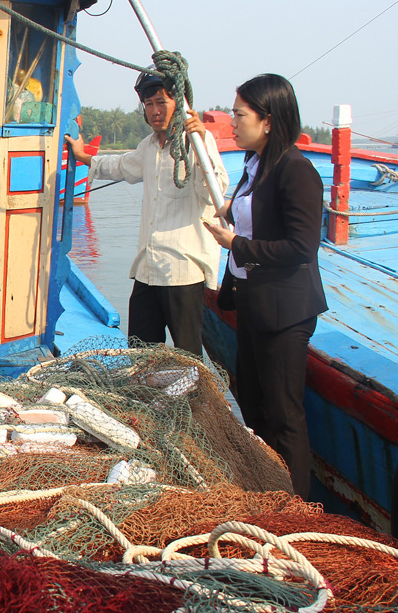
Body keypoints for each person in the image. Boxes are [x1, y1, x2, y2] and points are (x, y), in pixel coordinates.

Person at [204, 74, 328, 499]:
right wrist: (231, 213)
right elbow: (256, 215)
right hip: (254, 305)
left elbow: (301, 246)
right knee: (253, 407)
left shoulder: (297, 170)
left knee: (284, 415)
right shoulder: (255, 166)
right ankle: (265, 492)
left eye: (240, 114)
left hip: (286, 312)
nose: (232, 122)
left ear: (269, 121)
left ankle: (296, 505)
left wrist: (236, 244)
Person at [65, 70, 229, 357]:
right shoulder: (149, 146)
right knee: (140, 350)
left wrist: (200, 142)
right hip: (148, 267)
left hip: (183, 270)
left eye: (161, 102)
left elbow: (214, 191)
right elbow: (119, 166)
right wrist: (82, 156)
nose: (155, 111)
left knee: (186, 356)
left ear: (180, 105)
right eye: (149, 104)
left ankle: (191, 402)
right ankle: (148, 400)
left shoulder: (199, 145)